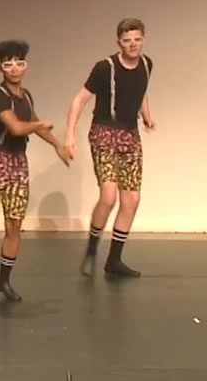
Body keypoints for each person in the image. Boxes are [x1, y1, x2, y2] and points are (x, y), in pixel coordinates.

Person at [0, 39, 72, 301]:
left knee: (14, 225)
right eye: (8, 64)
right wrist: (40, 124)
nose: (14, 69)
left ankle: (4, 280)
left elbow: (31, 122)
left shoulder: (27, 96)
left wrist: (57, 144)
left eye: (19, 63)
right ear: (0, 68)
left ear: (25, 66)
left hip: (18, 162)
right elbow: (17, 128)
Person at [64, 18, 155, 278]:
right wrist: (70, 135)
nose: (133, 45)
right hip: (104, 133)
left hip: (130, 134)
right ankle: (92, 250)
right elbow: (79, 100)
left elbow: (142, 91)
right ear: (119, 42)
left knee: (132, 199)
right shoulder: (105, 68)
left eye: (137, 39)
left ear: (144, 39)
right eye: (127, 41)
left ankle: (114, 260)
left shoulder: (147, 64)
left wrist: (147, 115)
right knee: (109, 196)